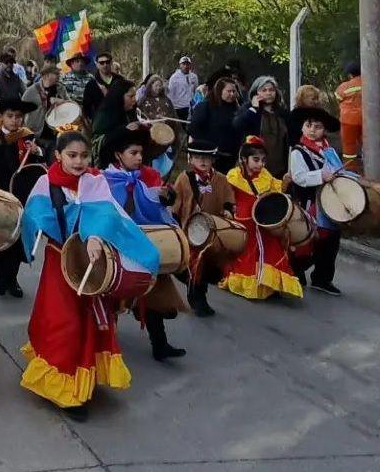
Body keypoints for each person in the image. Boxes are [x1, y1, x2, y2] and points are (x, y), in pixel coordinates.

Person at [18, 132, 161, 420]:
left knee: (91, 322)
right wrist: (37, 227)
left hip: (93, 263)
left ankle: (82, 377)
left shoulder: (95, 182)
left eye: (84, 155)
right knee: (64, 322)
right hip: (60, 262)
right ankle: (65, 390)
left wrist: (95, 235)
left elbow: (108, 214)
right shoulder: (46, 183)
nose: (79, 161)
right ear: (58, 155)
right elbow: (33, 212)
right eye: (72, 155)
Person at [100, 125, 187, 361]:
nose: (139, 158)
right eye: (133, 153)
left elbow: (166, 197)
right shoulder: (103, 179)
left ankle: (160, 344)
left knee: (152, 291)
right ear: (118, 154)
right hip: (116, 245)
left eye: (141, 153)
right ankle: (106, 347)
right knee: (111, 295)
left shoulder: (148, 175)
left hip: (145, 243)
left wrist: (167, 196)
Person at [221, 136, 303, 300]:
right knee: (247, 257)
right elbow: (226, 197)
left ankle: (269, 286)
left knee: (271, 253)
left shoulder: (265, 175)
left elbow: (277, 190)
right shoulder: (233, 175)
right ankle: (248, 287)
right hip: (244, 224)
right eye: (256, 160)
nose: (260, 164)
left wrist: (285, 181)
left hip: (264, 223)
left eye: (263, 160)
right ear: (244, 159)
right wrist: (228, 210)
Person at [0, 98, 41, 298]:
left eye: (18, 116)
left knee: (17, 240)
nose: (15, 121)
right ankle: (0, 276)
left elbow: (37, 169)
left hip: (22, 195)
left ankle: (12, 278)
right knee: (0, 238)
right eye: (10, 116)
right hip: (0, 196)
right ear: (0, 118)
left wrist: (37, 152)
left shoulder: (28, 138)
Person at [171, 140, 236, 317]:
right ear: (191, 159)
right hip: (190, 230)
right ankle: (197, 299)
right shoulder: (185, 178)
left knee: (206, 266)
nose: (203, 161)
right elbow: (177, 203)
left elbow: (229, 200)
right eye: (198, 157)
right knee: (192, 266)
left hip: (213, 231)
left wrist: (229, 211)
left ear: (213, 160)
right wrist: (175, 225)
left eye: (207, 158)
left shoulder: (221, 179)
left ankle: (200, 293)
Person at [287, 103, 345, 295]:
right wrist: (321, 176)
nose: (312, 130)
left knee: (331, 243)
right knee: (308, 241)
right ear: (302, 127)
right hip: (310, 203)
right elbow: (299, 177)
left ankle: (322, 278)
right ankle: (295, 270)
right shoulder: (298, 151)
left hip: (330, 203)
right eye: (309, 125)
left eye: (318, 127)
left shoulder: (330, 150)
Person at [236, 76, 290, 177]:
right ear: (256, 93)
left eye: (271, 90)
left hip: (279, 168)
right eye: (264, 90)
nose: (268, 93)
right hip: (254, 167)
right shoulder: (249, 109)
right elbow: (238, 125)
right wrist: (254, 108)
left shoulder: (282, 112)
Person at [188, 77, 243, 173]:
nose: (232, 94)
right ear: (219, 91)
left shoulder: (238, 110)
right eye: (229, 91)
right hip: (209, 156)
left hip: (230, 157)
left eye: (234, 91)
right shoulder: (205, 107)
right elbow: (193, 129)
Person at [84, 52, 129, 119]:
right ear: (97, 65)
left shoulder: (121, 81)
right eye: (101, 63)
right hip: (100, 123)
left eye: (107, 62)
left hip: (120, 121)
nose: (105, 65)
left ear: (111, 63)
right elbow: (87, 107)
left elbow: (128, 102)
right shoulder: (91, 84)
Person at [335, 62, 363, 163]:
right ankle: (371, 168)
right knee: (368, 145)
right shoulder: (370, 83)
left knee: (349, 146)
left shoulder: (345, 86)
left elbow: (338, 97)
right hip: (367, 119)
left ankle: (350, 169)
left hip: (348, 121)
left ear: (350, 74)